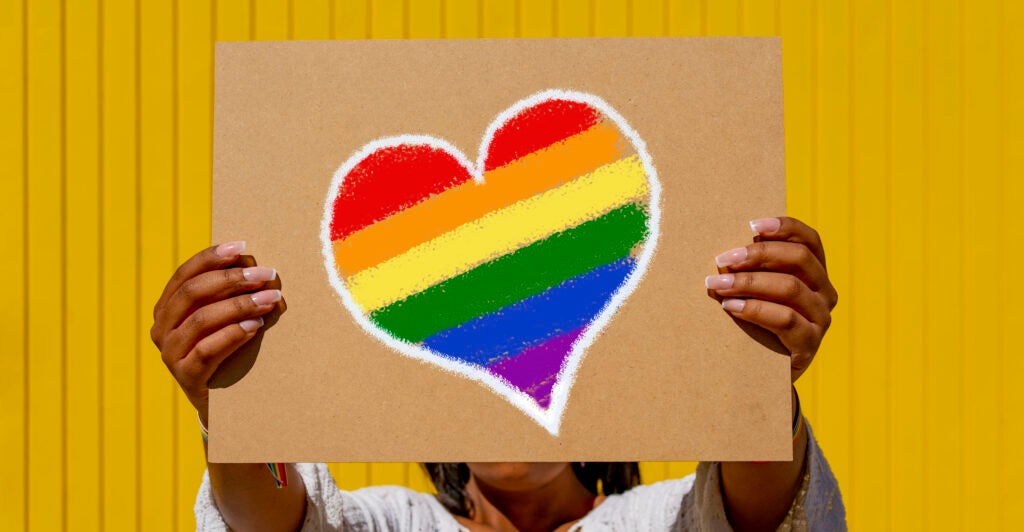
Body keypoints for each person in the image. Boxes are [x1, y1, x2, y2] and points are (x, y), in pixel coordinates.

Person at [151, 216, 845, 531]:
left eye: (544, 336)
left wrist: (761, 376)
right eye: (478, 342)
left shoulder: (661, 521)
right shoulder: (394, 525)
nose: (513, 376)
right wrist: (234, 409)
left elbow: (764, 512)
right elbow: (273, 518)